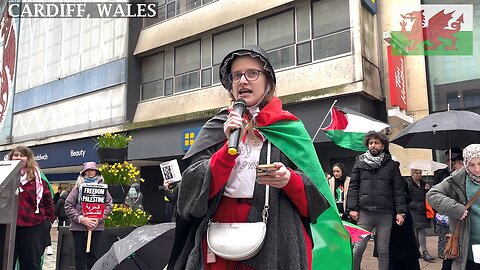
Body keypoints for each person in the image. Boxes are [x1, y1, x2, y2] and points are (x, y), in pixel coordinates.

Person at [168, 45, 328, 270]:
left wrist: (288, 180)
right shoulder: (217, 127)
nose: (243, 81)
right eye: (236, 75)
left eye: (252, 73)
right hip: (218, 233)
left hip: (277, 233)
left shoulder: (288, 127)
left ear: (268, 81)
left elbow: (315, 200)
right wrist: (226, 152)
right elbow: (190, 192)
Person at [346, 131, 407, 270]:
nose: (373, 145)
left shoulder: (392, 165)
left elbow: (398, 189)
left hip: (385, 213)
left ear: (383, 145)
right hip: (365, 213)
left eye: (376, 142)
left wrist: (401, 212)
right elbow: (354, 186)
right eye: (370, 143)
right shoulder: (360, 162)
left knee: (383, 251)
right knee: (358, 248)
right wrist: (352, 208)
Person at [427, 144, 480, 270]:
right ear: (466, 163)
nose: (477, 169)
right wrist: (455, 208)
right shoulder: (457, 179)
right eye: (472, 165)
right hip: (467, 244)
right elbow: (432, 195)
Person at [9, 145, 55, 270]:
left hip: (33, 227)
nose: (18, 157)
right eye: (16, 155)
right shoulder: (5, 176)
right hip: (9, 228)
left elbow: (49, 203)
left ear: (28, 158)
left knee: (30, 264)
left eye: (22, 155)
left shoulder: (38, 178)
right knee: (5, 262)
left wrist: (47, 224)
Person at [64, 162, 113, 270]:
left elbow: (109, 205)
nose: (90, 171)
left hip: (96, 227)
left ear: (97, 172)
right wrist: (81, 219)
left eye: (92, 169)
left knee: (93, 257)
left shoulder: (102, 188)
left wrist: (98, 219)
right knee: (79, 257)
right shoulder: (77, 187)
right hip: (78, 227)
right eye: (87, 170)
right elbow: (68, 205)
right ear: (83, 172)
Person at [407, 169, 434, 261]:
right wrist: (412, 205)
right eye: (416, 173)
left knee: (422, 231)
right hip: (413, 210)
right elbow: (406, 196)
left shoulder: (423, 184)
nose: (419, 175)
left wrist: (427, 190)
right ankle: (417, 251)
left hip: (423, 210)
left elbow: (427, 196)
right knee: (415, 232)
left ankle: (423, 251)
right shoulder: (409, 184)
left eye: (420, 173)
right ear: (412, 175)